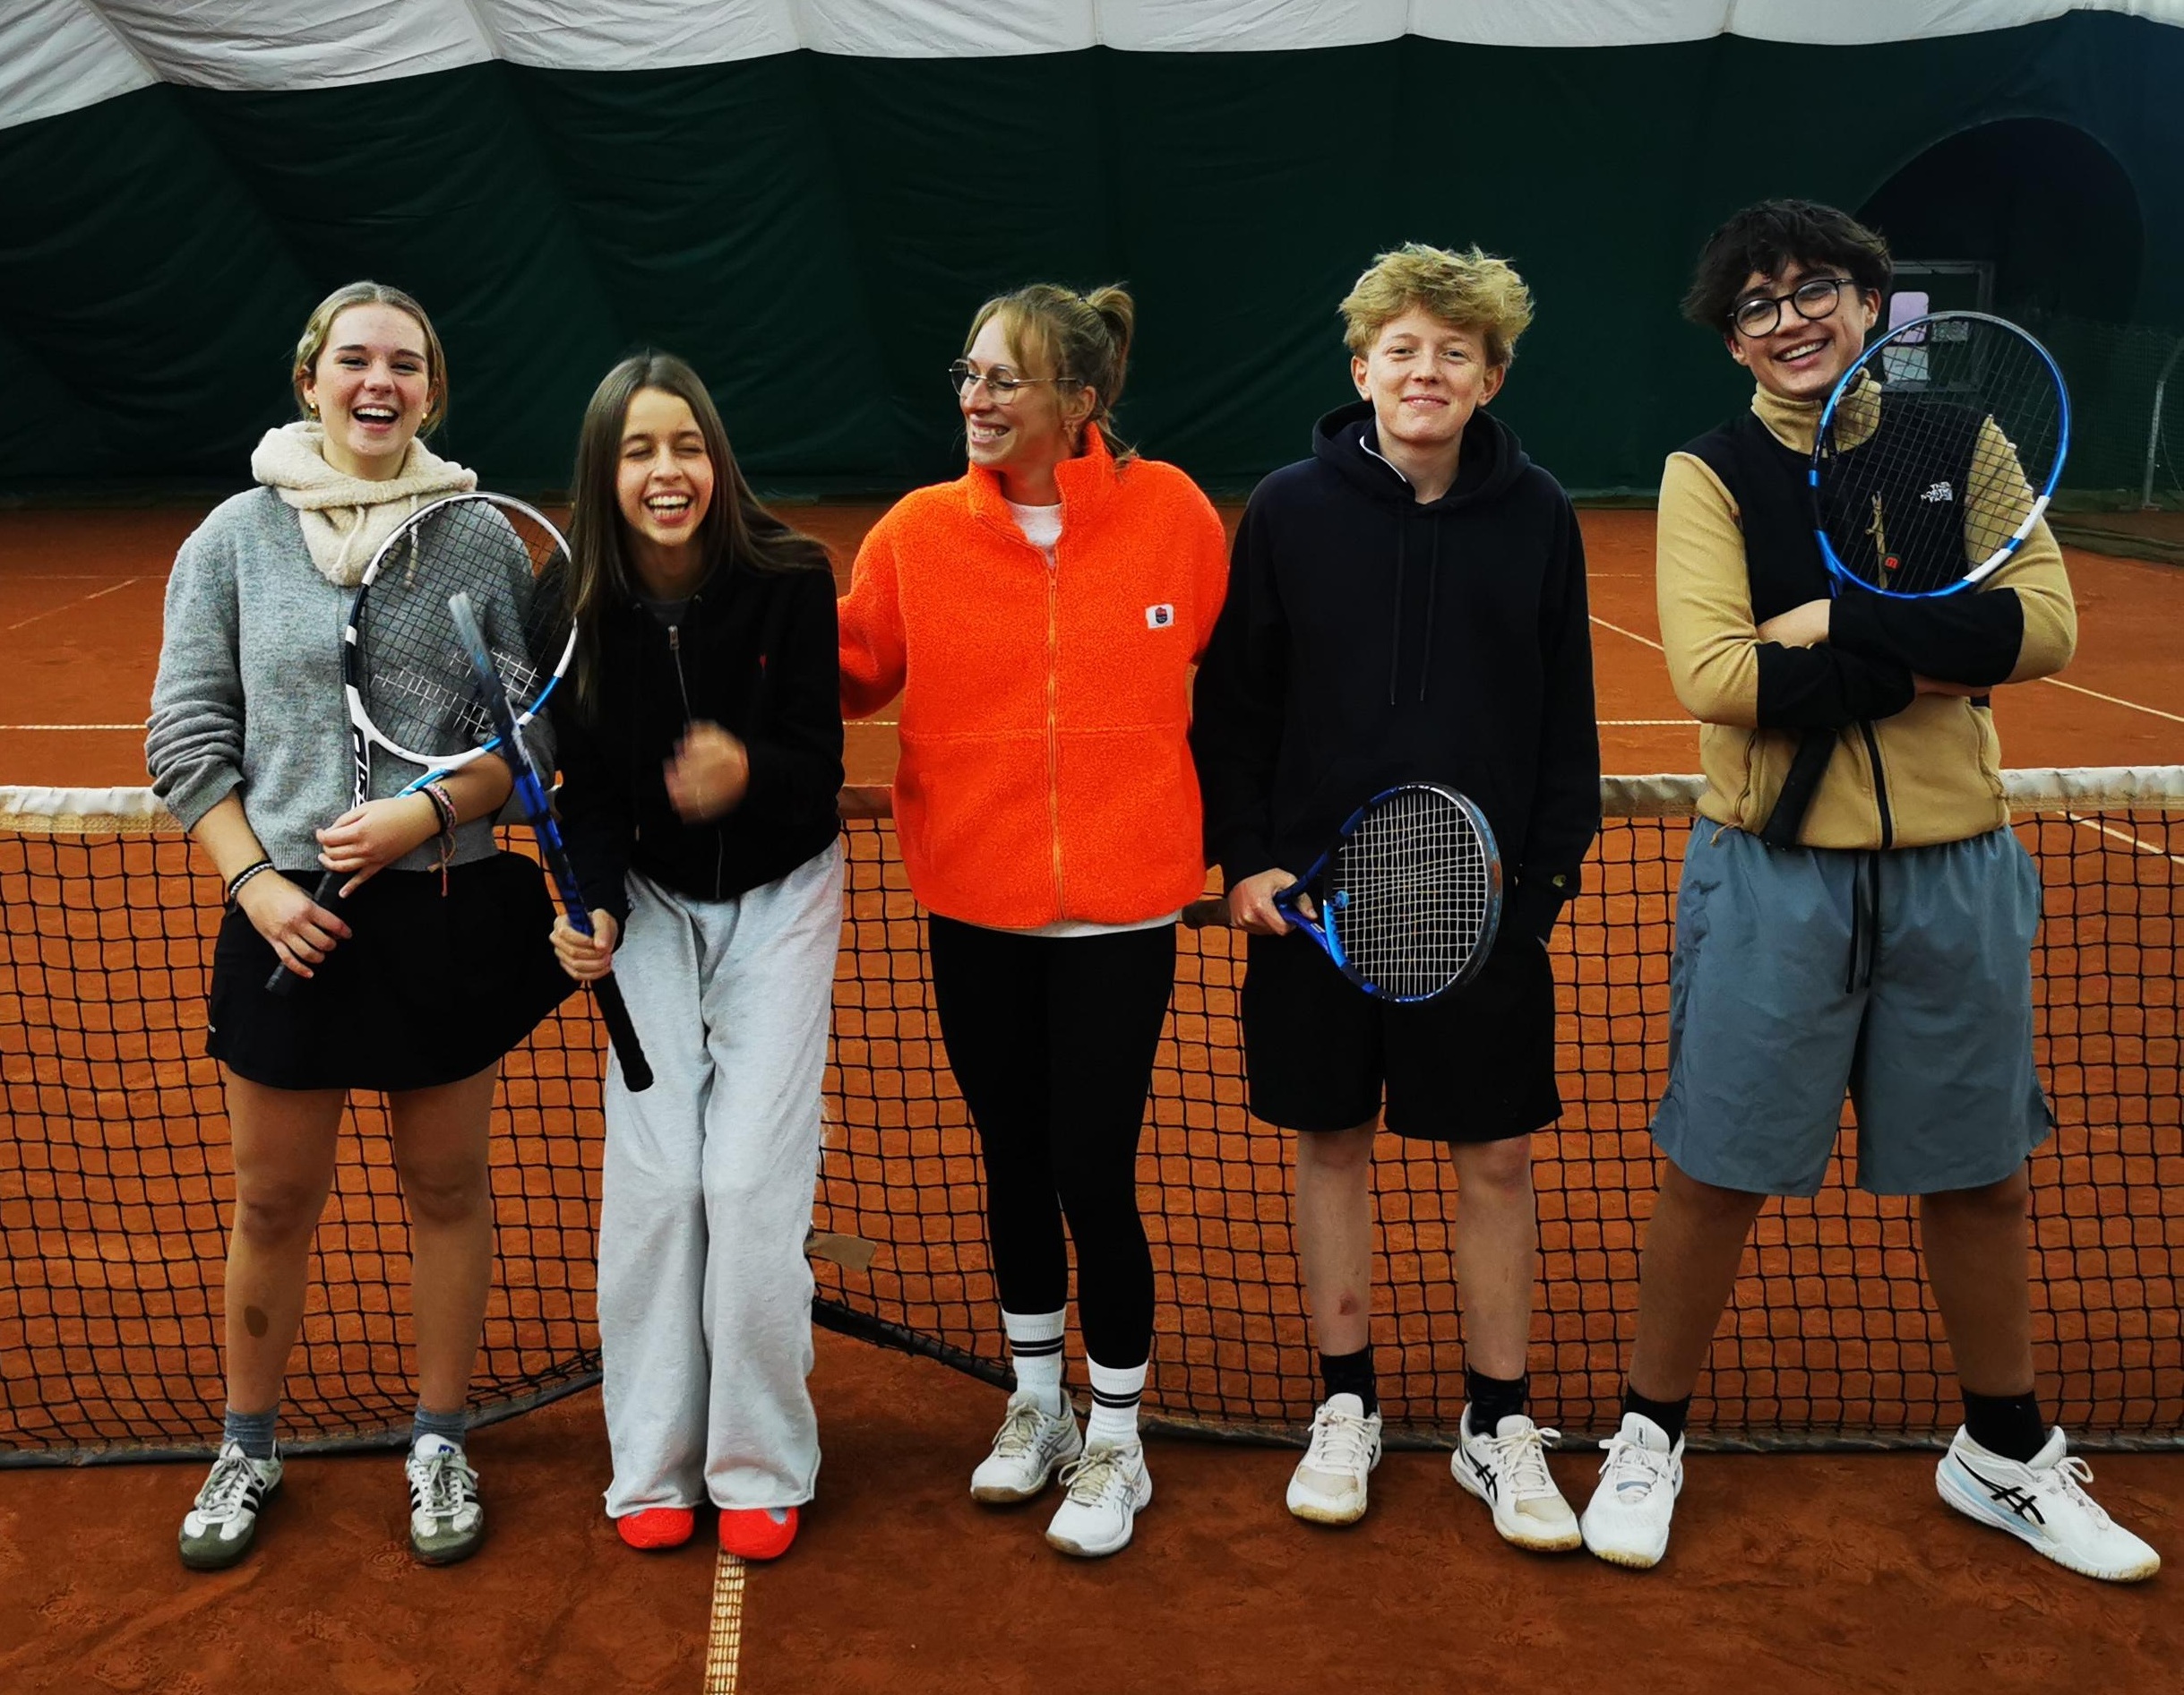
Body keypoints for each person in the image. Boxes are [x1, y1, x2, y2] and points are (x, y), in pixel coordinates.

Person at [1578, 198, 2158, 1583]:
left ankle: (2000, 1450)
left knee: (1980, 1179)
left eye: (1813, 290)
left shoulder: (1963, 441)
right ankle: (1648, 1431)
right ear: (1732, 342)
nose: (1789, 319)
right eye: (1756, 304)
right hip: (1773, 874)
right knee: (1714, 1171)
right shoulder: (1709, 471)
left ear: (1865, 302)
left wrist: (1838, 619)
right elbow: (1717, 677)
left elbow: (2045, 629)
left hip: (1956, 869)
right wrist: (1941, 656)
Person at [147, 280, 575, 1570]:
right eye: (353, 360)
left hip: (439, 906)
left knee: (445, 1188)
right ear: (310, 379)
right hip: (283, 918)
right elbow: (186, 736)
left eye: (404, 364)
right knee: (273, 1199)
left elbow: (527, 740)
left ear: (430, 392)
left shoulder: (478, 539)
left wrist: (422, 813)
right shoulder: (234, 538)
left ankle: (439, 1436)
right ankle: (248, 1443)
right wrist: (256, 886)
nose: (377, 382)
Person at [1191, 244, 1599, 1542]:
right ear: (1361, 368)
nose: (1427, 372)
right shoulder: (1288, 510)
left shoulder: (1538, 515)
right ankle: (1345, 1402)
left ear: (1491, 379)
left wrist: (1532, 894)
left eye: (1454, 353)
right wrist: (1248, 858)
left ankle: (1496, 1422)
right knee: (1329, 1144)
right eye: (1403, 350)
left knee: (1497, 1157)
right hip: (1316, 906)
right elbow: (1236, 706)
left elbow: (1566, 723)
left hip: (1481, 905)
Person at [838, 283, 1227, 1559]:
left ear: (1080, 399)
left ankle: (1116, 1435)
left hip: (1121, 921)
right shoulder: (915, 532)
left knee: (1093, 1170)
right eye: (969, 375)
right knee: (1010, 1160)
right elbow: (848, 671)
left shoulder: (1173, 516)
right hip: (975, 910)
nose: (977, 399)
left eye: (1006, 379)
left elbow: (1238, 672)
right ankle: (1036, 1402)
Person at [548, 354, 844, 1562]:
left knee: (750, 1184)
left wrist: (747, 774)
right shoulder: (570, 604)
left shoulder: (790, 576)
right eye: (638, 451)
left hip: (784, 895)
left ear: (716, 458)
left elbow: (816, 766)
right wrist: (593, 904)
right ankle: (653, 1462)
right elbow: (584, 792)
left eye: (686, 446)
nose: (666, 472)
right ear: (604, 472)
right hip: (651, 906)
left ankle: (762, 1459)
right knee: (662, 1181)